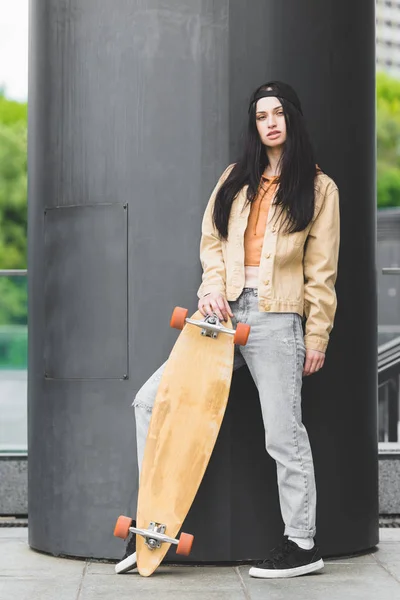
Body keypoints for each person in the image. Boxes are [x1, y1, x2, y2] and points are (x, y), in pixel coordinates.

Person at [115, 80, 340, 579]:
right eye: (261, 116)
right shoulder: (235, 178)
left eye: (278, 113)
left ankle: (302, 544)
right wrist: (210, 290)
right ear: (254, 125)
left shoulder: (321, 189)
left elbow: (321, 273)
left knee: (284, 434)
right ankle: (156, 526)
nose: (271, 123)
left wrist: (317, 335)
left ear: (292, 119)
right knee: (151, 401)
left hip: (277, 315)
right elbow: (212, 242)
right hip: (222, 311)